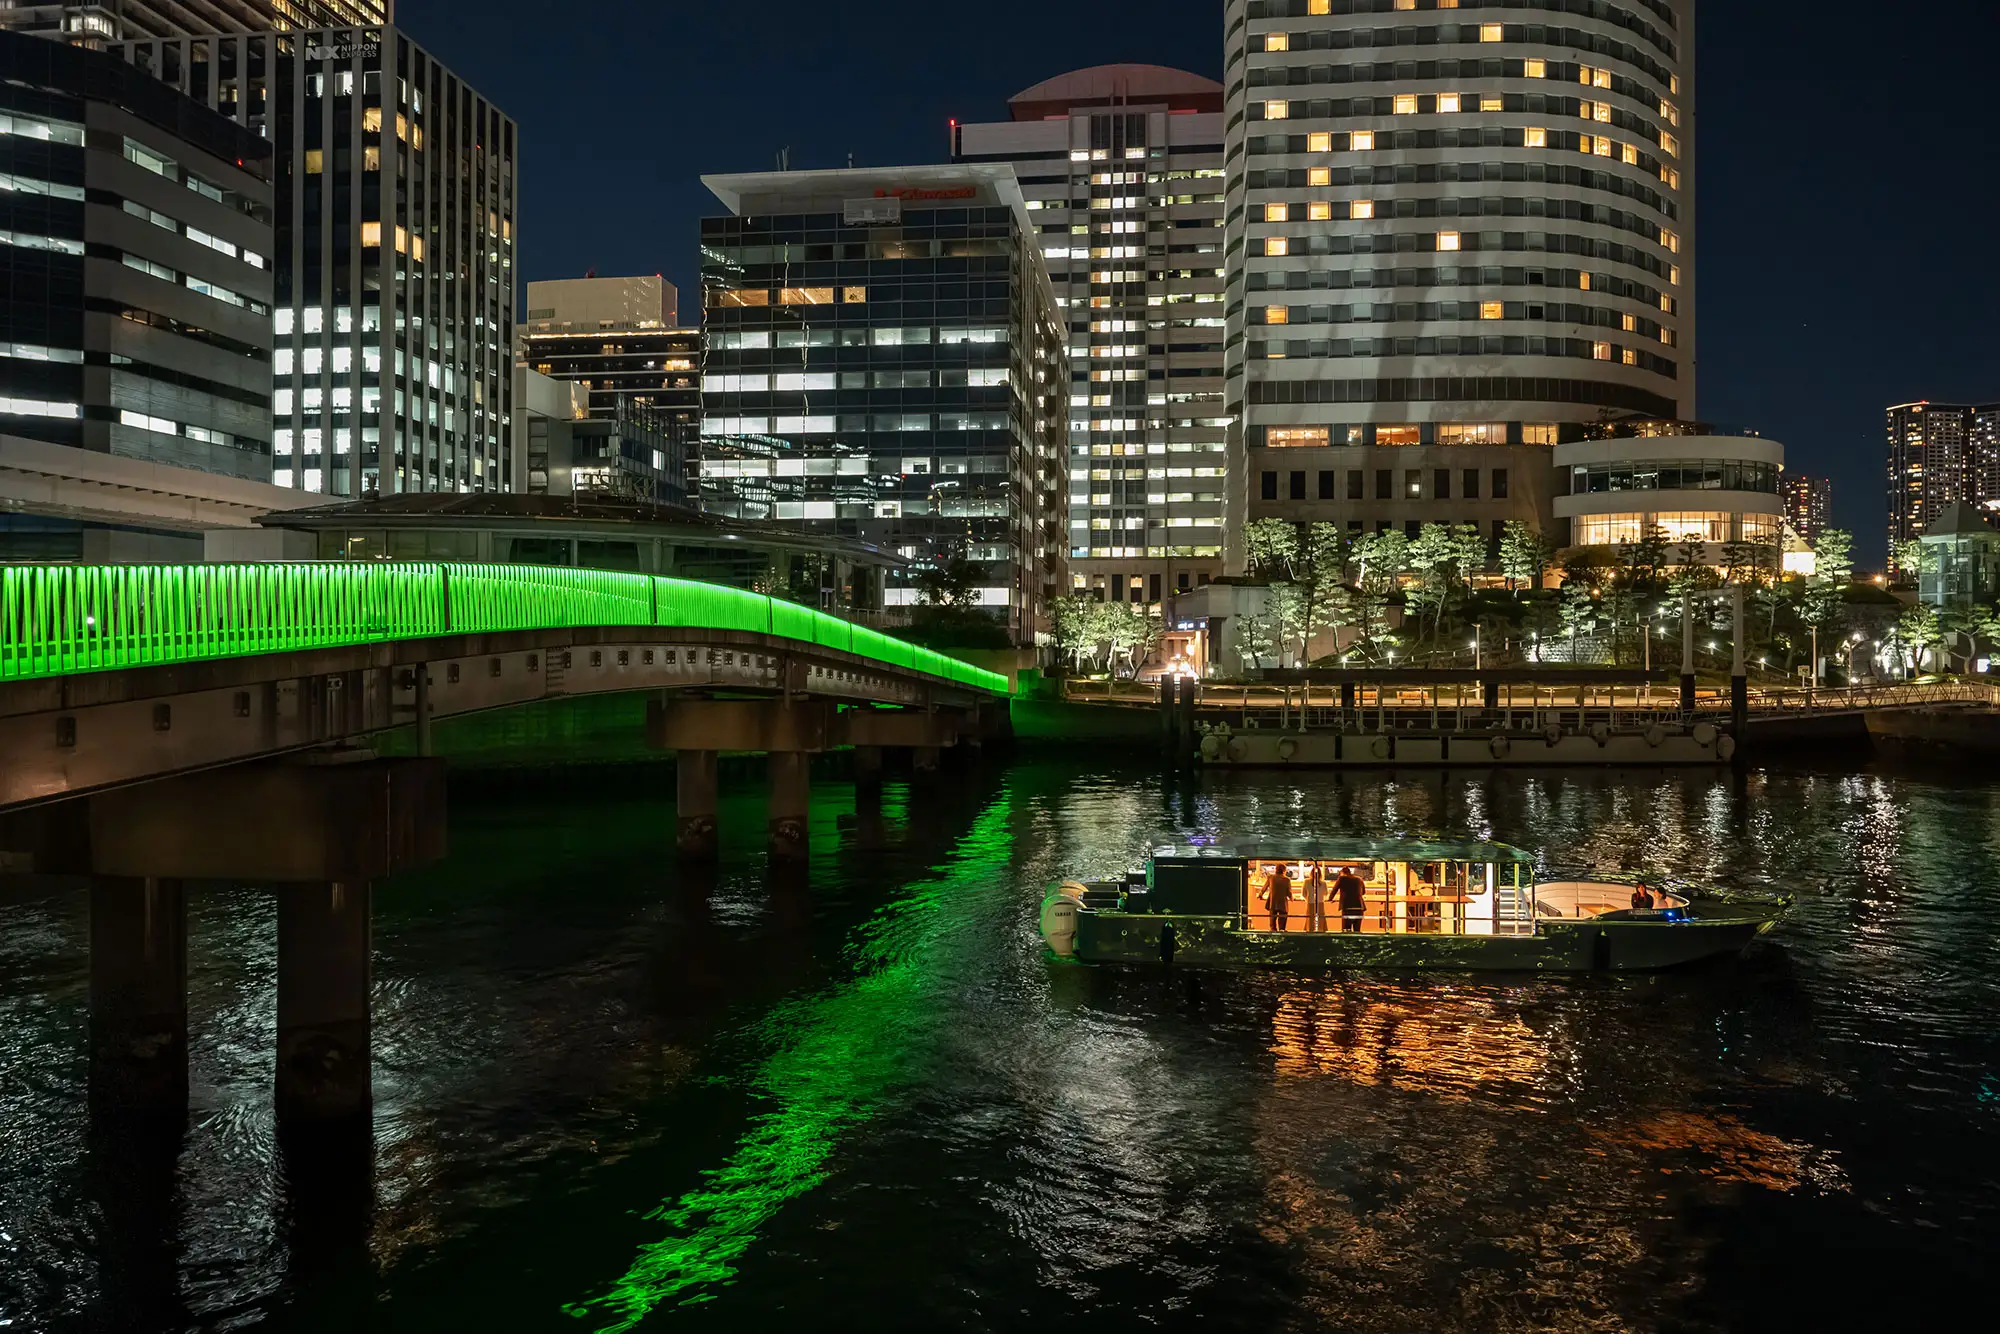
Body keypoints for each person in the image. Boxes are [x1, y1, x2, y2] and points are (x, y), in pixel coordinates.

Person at [1335, 865, 1367, 933]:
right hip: (1359, 907)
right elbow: (1363, 892)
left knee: (1346, 930)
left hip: (1347, 907)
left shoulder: (1342, 878)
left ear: (1342, 872)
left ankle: (1347, 943)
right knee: (1357, 930)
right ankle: (1357, 942)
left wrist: (1330, 898)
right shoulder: (1359, 879)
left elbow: (1334, 890)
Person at [1263, 862, 1293, 932]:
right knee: (1283, 918)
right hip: (1282, 902)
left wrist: (1260, 894)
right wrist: (1291, 898)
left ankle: (1273, 932)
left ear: (1276, 869)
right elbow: (1288, 892)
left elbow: (1265, 887)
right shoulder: (1287, 879)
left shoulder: (1271, 877)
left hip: (1272, 901)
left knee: (1272, 919)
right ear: (1284, 871)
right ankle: (1282, 931)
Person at [1305, 862, 1328, 932]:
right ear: (1321, 874)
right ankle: (1320, 931)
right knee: (1320, 918)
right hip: (1320, 903)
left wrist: (1307, 898)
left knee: (1310, 919)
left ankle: (1310, 932)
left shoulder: (1306, 881)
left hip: (1310, 903)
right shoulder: (1323, 883)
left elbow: (1303, 894)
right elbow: (1326, 893)